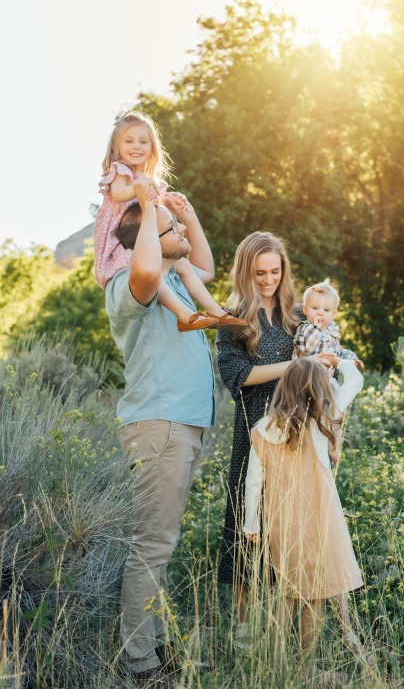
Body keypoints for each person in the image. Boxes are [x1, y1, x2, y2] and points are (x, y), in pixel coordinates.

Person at [105, 180, 215, 687]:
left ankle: (155, 644)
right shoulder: (134, 282)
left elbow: (205, 269)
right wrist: (149, 207)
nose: (179, 230)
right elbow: (148, 263)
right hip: (160, 426)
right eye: (169, 227)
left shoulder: (175, 279)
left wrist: (185, 217)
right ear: (150, 234)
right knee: (152, 544)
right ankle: (141, 664)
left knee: (162, 543)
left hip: (183, 425)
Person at [216, 232, 337, 650]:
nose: (268, 279)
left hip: (297, 430)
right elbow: (238, 377)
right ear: (245, 272)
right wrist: (296, 364)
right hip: (253, 428)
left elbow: (327, 348)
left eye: (275, 271)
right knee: (246, 524)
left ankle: (289, 633)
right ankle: (245, 630)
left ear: (284, 270)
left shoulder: (299, 314)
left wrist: (338, 361)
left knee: (295, 523)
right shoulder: (232, 318)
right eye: (259, 272)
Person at [243, 358, 368, 681]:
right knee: (316, 595)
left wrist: (251, 524)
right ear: (319, 391)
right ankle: (305, 668)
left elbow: (253, 481)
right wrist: (341, 359)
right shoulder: (321, 419)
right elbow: (354, 382)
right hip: (322, 519)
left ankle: (272, 659)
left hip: (283, 523)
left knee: (289, 591)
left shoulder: (262, 428)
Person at [95, 110, 246, 332]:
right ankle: (184, 314)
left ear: (152, 148)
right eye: (129, 141)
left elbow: (151, 205)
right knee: (153, 269)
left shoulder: (144, 178)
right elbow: (118, 195)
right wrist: (135, 189)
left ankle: (216, 311)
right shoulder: (120, 171)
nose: (136, 146)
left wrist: (169, 201)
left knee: (182, 263)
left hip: (139, 234)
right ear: (117, 147)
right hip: (120, 244)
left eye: (143, 141)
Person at [294, 279, 365, 460]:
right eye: (315, 308)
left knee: (338, 414)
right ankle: (307, 441)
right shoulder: (307, 329)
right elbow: (305, 348)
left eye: (326, 310)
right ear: (305, 310)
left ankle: (333, 446)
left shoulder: (331, 331)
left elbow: (338, 351)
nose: (320, 313)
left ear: (333, 313)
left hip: (325, 381)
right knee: (317, 415)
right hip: (305, 380)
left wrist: (351, 358)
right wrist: (317, 327)